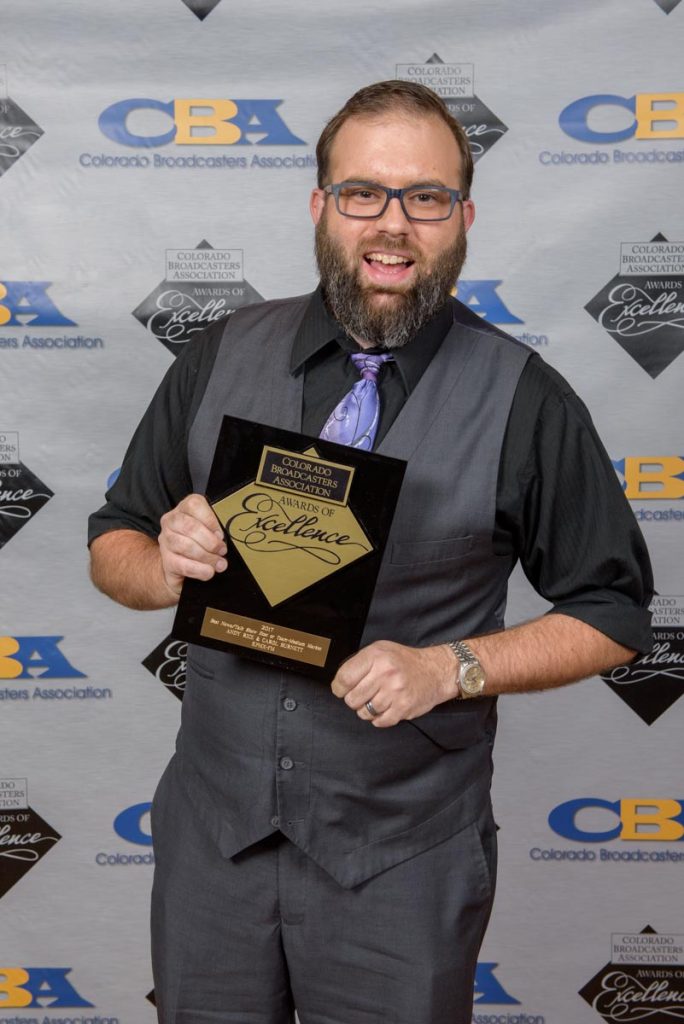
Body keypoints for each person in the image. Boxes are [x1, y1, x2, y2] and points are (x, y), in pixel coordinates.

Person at [88, 80, 653, 1024]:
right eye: (364, 193)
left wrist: (450, 667)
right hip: (213, 843)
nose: (393, 224)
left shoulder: (528, 398)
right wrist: (163, 564)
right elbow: (116, 539)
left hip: (402, 859)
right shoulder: (220, 353)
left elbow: (615, 613)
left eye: (425, 197)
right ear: (321, 205)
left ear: (463, 216)